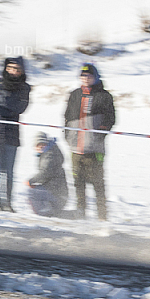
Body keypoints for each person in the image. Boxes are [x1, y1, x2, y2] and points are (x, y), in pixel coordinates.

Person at [64, 63, 116, 221]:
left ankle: (102, 216)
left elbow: (111, 119)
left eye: (89, 76)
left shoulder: (104, 96)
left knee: (98, 183)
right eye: (83, 76)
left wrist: (100, 134)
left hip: (95, 149)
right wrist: (68, 135)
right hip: (76, 148)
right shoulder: (75, 94)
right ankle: (81, 214)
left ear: (95, 77)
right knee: (78, 183)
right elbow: (67, 117)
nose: (86, 78)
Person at [0, 57, 31, 211]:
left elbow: (21, 107)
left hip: (11, 133)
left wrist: (3, 109)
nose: (13, 71)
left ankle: (8, 203)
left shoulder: (24, 87)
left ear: (21, 71)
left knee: (9, 171)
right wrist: (4, 110)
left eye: (16, 69)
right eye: (10, 68)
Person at [26, 133, 69, 217]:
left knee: (31, 192)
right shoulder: (50, 152)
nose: (40, 147)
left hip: (57, 194)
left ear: (46, 143)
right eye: (38, 145)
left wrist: (31, 181)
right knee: (35, 190)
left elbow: (45, 172)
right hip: (59, 194)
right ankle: (51, 210)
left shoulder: (50, 155)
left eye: (42, 144)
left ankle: (45, 213)